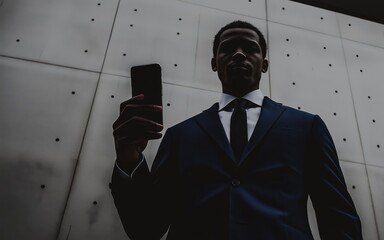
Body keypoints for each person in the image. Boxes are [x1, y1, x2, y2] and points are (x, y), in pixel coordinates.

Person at [111, 20, 362, 240]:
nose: (239, 54)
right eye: (228, 48)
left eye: (251, 48)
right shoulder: (179, 136)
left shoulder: (307, 127)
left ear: (264, 64)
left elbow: (338, 217)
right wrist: (128, 159)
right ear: (214, 63)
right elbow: (146, 229)